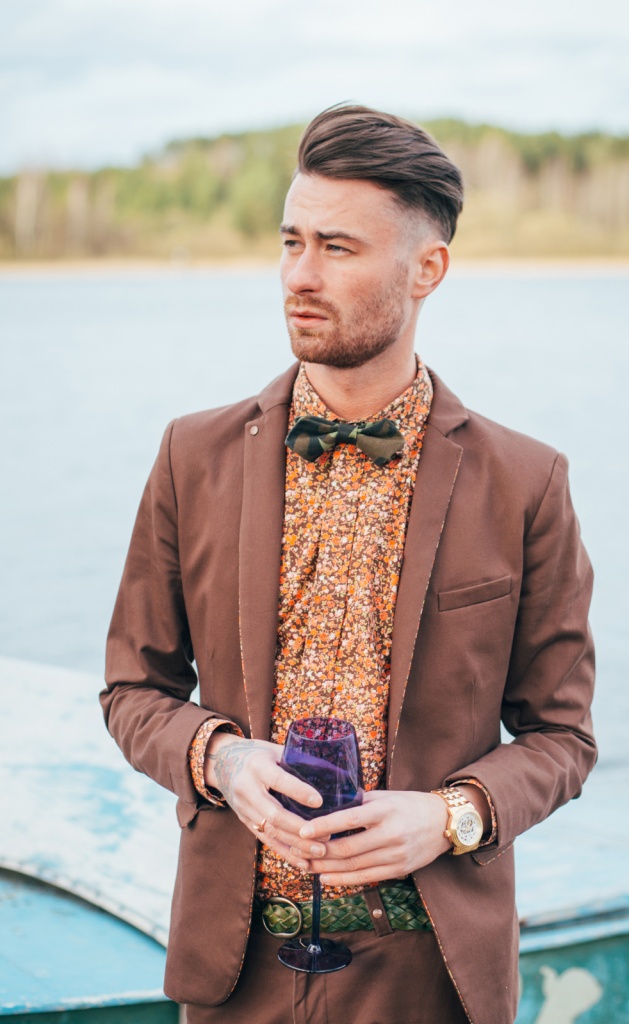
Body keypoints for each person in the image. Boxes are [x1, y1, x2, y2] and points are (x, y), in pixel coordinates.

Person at [101, 105, 596, 1024]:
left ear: (427, 269)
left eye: (337, 247)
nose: (300, 275)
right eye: (291, 242)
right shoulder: (190, 456)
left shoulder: (527, 482)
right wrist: (221, 757)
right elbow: (132, 690)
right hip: (233, 973)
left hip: (431, 978)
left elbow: (563, 737)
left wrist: (450, 816)